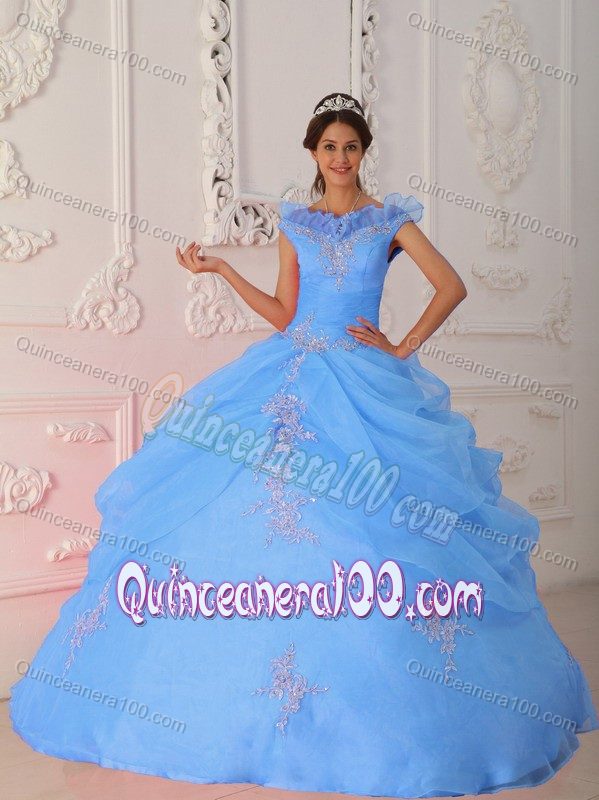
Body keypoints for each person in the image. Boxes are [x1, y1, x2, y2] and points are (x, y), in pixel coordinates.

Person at [9, 91, 598, 798]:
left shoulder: (389, 221)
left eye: (350, 147)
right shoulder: (296, 222)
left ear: (363, 152)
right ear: (313, 154)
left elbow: (450, 285)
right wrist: (225, 272)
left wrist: (402, 346)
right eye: (329, 147)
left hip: (365, 382)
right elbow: (287, 314)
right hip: (289, 373)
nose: (340, 158)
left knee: (375, 525)